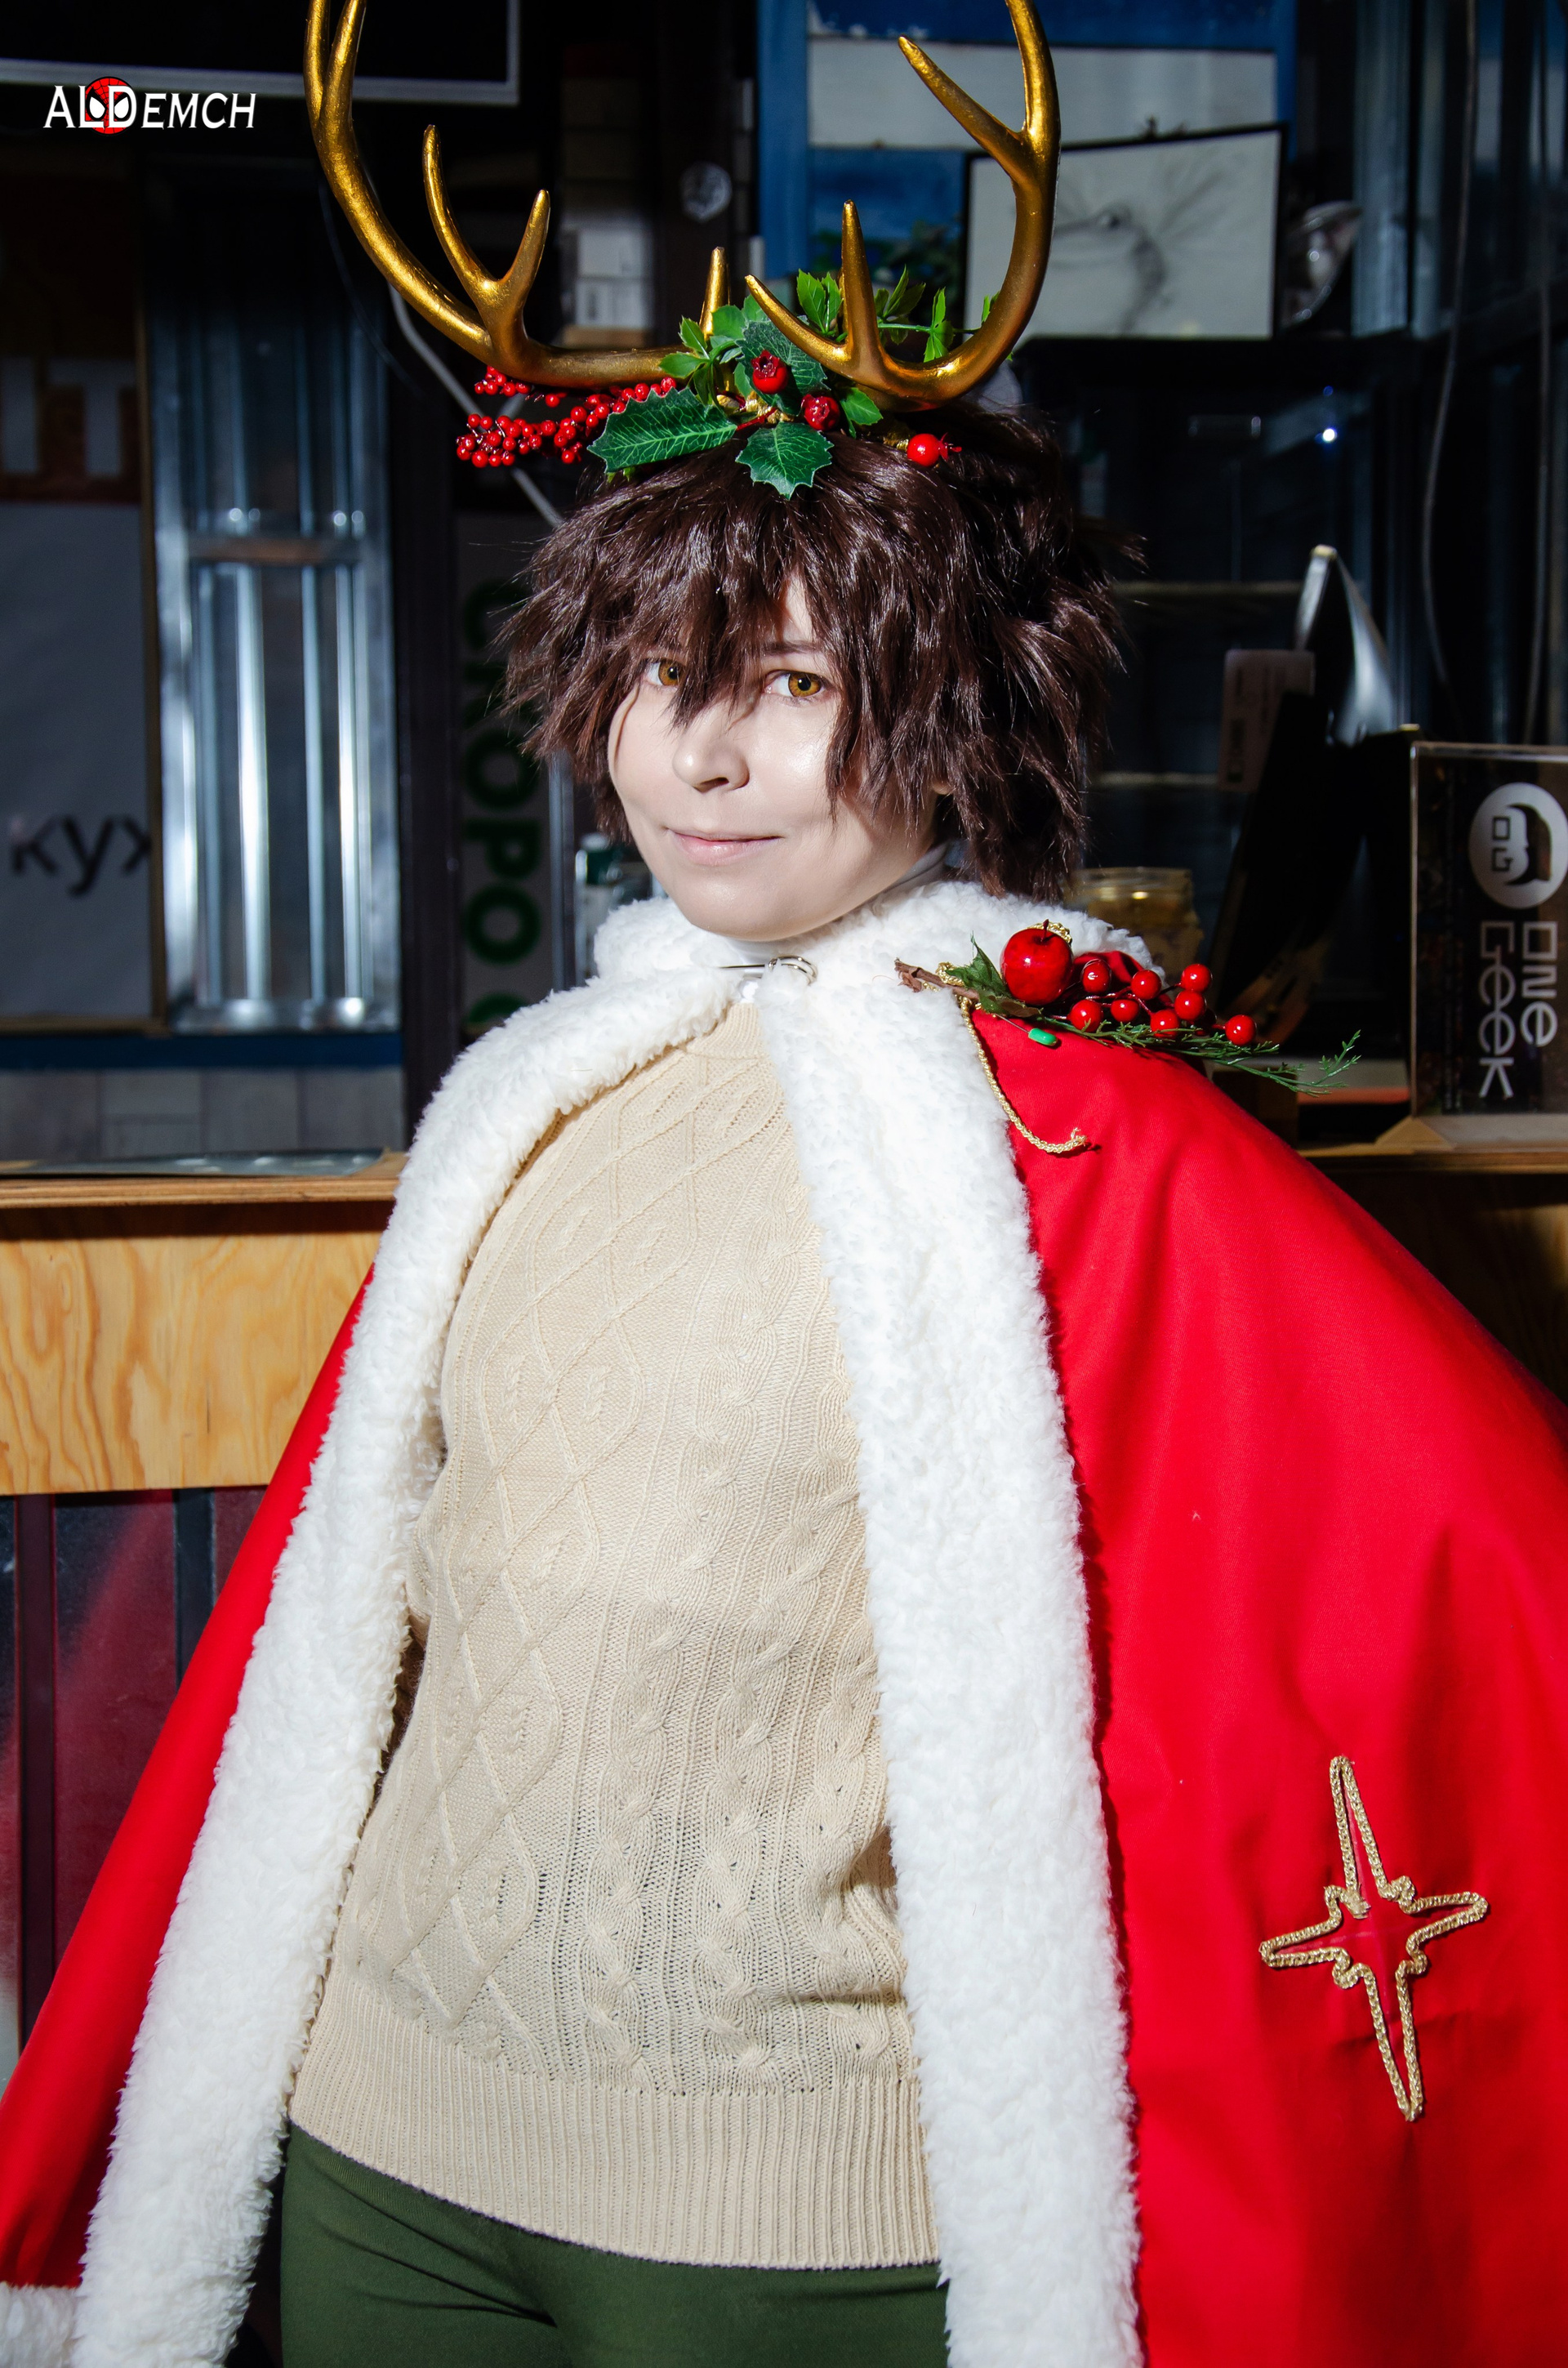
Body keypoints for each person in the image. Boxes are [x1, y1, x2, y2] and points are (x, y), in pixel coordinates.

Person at [5, 5, 1568, 2365]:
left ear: (950, 710)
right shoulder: (533, 1097)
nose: (708, 754)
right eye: (658, 676)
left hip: (791, 2217)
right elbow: (331, 1653)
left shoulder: (1088, 1135)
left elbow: (1468, 1580)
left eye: (804, 680)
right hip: (377, 2150)